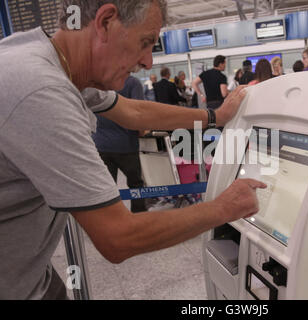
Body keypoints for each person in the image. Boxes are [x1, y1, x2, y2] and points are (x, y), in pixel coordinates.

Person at [0, 0, 265, 300]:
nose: (149, 61)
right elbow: (118, 237)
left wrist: (216, 116)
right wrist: (224, 208)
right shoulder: (40, 90)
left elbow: (134, 112)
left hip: (32, 276)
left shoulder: (56, 61)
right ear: (106, 22)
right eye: (145, 42)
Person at [92, 75, 147, 213]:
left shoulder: (98, 81)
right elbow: (138, 112)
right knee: (136, 185)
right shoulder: (132, 82)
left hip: (100, 144)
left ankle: (110, 219)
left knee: (106, 188)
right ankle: (139, 217)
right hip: (126, 144)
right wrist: (142, 131)